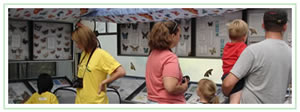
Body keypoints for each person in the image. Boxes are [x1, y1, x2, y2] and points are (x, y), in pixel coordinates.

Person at [222, 9, 291, 104]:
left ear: (263, 25)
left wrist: (226, 92)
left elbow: (228, 83)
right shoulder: (292, 54)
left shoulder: (252, 51)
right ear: (285, 27)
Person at [72, 24, 126, 104]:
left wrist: (104, 82)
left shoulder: (101, 54)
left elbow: (121, 71)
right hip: (81, 101)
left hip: (96, 102)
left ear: (85, 40)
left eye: (78, 42)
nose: (77, 45)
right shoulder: (84, 54)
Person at [145, 21, 189, 104]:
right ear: (173, 36)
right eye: (179, 35)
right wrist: (184, 87)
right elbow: (170, 87)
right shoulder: (170, 57)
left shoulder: (152, 54)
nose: (179, 38)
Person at [221, 19, 248, 104]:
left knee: (232, 97)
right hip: (235, 78)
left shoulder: (226, 46)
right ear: (244, 37)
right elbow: (245, 62)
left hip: (226, 76)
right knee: (235, 100)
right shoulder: (242, 47)